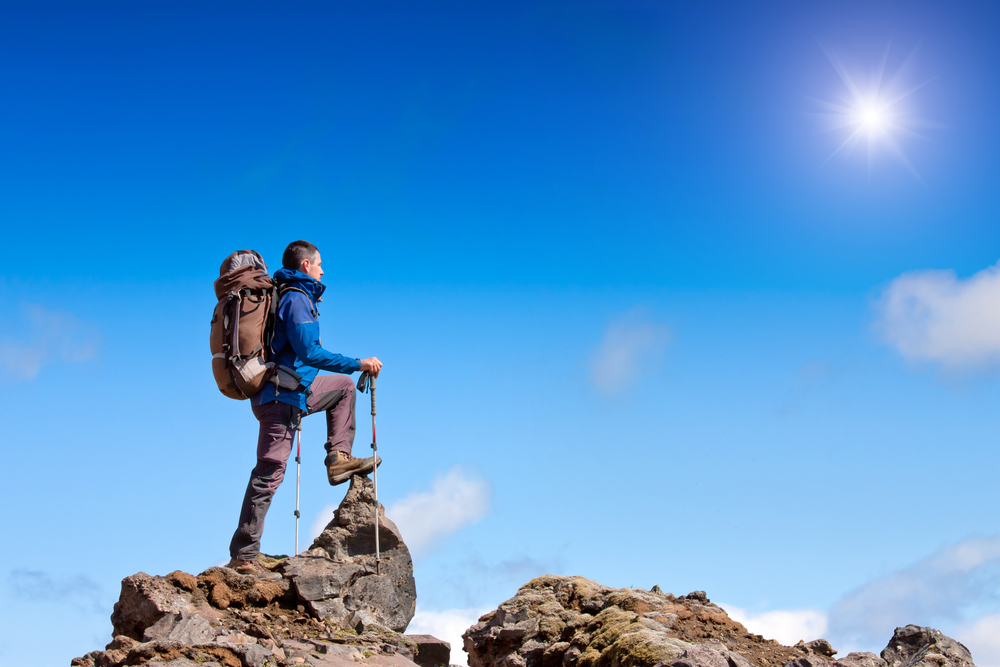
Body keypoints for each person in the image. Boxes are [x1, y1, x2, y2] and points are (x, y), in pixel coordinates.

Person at [226, 240, 382, 578]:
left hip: (293, 391)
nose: (323, 270)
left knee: (340, 389)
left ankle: (338, 459)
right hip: (280, 397)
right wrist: (358, 363)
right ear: (306, 266)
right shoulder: (297, 298)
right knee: (269, 473)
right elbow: (310, 352)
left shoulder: (292, 295)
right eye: (320, 264)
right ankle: (243, 554)